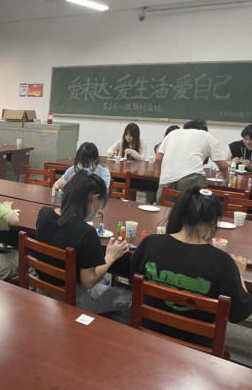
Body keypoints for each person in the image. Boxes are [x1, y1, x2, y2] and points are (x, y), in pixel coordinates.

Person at [131, 187, 252, 346]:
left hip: (147, 334)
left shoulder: (150, 244)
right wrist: (239, 275)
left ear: (180, 213)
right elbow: (239, 314)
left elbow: (133, 282)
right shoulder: (222, 262)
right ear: (213, 221)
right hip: (195, 348)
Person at [35, 170, 131, 320]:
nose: (99, 208)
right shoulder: (87, 233)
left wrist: (83, 220)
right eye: (100, 204)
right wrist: (110, 257)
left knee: (104, 282)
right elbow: (88, 282)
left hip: (42, 291)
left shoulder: (44, 214)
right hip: (73, 300)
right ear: (95, 199)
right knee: (130, 299)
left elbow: (64, 228)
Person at [154, 120, 228, 204]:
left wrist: (158, 178)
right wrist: (226, 176)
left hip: (167, 177)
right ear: (204, 130)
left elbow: (158, 158)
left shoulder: (172, 133)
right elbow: (223, 165)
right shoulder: (206, 135)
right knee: (188, 208)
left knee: (163, 207)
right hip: (191, 176)